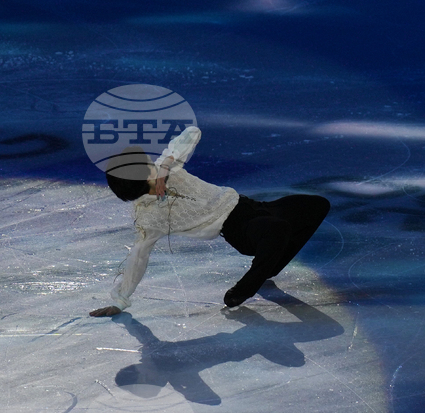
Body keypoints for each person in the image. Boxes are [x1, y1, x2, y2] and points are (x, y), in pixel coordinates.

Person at [89, 126, 330, 317]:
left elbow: (192, 132)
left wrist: (166, 164)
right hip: (239, 229)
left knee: (317, 205)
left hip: (254, 206)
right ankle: (242, 290)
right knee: (277, 229)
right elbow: (138, 257)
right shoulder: (149, 218)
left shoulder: (165, 168)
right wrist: (120, 301)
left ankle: (272, 264)